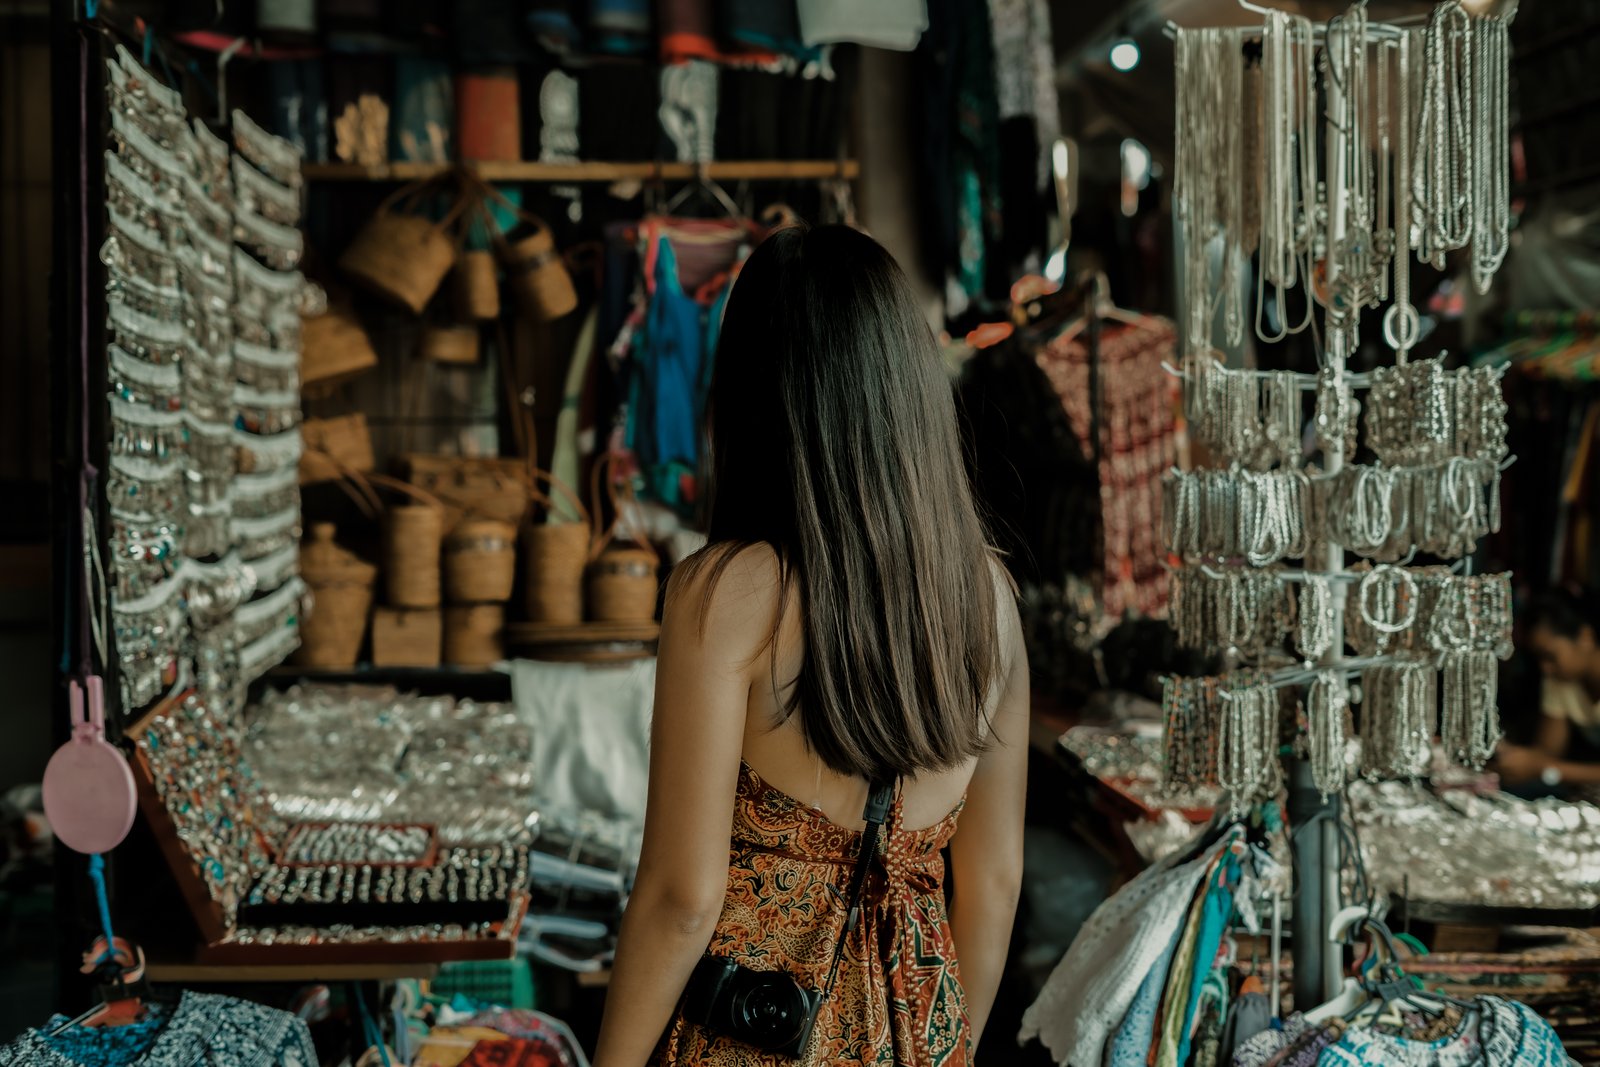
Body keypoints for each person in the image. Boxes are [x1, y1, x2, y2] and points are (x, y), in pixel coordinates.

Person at [591, 224, 1029, 1067]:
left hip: (754, 1040)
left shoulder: (725, 594)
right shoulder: (991, 598)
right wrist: (943, 1043)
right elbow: (995, 881)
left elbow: (684, 896)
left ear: (757, 397)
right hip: (922, 1035)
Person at [1495, 589, 1600, 792]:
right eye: (1539, 659)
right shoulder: (1560, 680)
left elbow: (1544, 764)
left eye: (1550, 656)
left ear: (1585, 637)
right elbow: (1547, 751)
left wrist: (1544, 768)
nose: (1545, 668)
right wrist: (1514, 757)